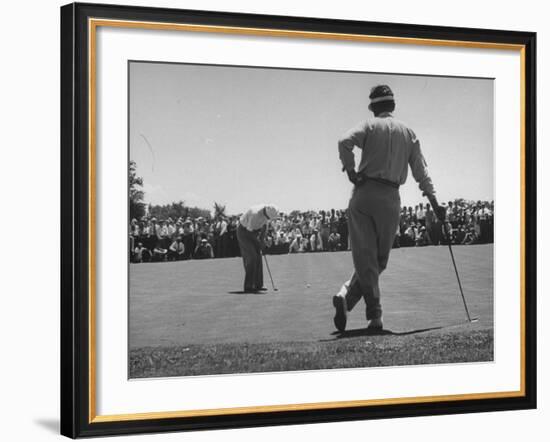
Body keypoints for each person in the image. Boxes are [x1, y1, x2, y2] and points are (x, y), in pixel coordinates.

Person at [332, 84, 446, 332]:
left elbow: (344, 141)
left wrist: (351, 171)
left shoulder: (369, 125)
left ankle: (346, 297)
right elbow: (421, 172)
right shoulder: (408, 132)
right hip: (391, 197)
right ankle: (373, 314)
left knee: (366, 258)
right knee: (378, 261)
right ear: (392, 106)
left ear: (373, 107)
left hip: (363, 194)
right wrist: (435, 202)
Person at [237, 204, 279, 293]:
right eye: (268, 217)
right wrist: (259, 243)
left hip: (253, 232)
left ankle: (258, 285)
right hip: (243, 232)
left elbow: (264, 226)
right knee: (252, 256)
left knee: (258, 255)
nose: (268, 218)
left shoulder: (266, 214)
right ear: (265, 213)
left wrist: (262, 240)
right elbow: (249, 233)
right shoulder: (254, 214)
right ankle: (249, 286)